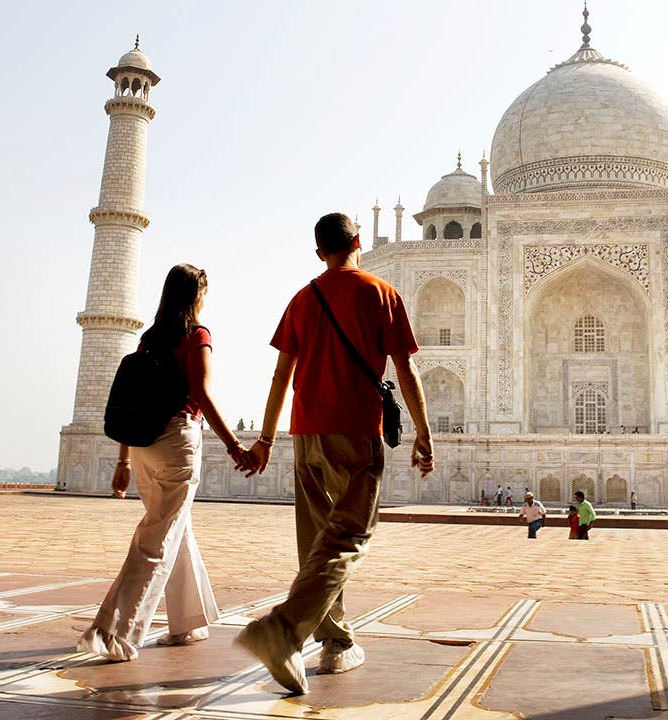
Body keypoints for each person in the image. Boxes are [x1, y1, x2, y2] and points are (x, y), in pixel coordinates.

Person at [234, 213, 433, 695]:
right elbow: (404, 371)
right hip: (354, 429)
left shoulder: (302, 299)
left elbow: (280, 377)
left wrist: (265, 438)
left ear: (319, 253)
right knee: (349, 536)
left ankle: (336, 640)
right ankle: (283, 631)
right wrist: (424, 432)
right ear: (359, 241)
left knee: (318, 539)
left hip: (306, 432)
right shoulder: (380, 293)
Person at [78, 264, 249, 662]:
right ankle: (115, 633)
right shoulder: (197, 335)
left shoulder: (149, 339)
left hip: (142, 446)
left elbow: (132, 398)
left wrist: (122, 460)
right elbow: (202, 394)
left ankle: (189, 621)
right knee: (156, 540)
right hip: (176, 441)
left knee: (174, 530)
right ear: (197, 296)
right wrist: (235, 445)